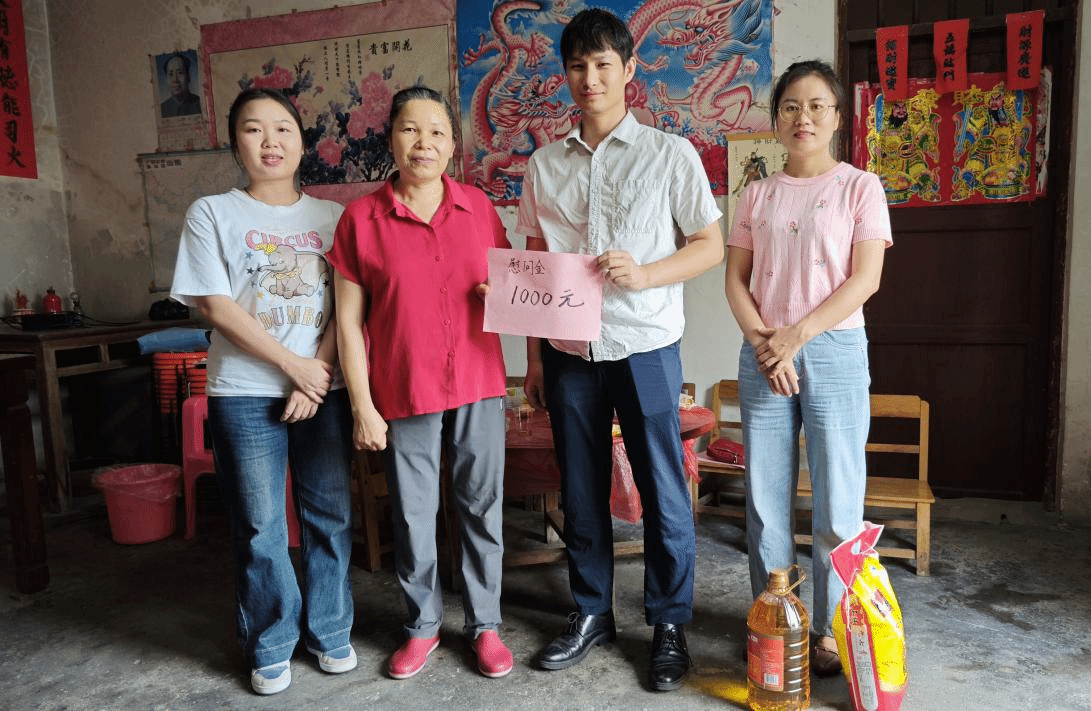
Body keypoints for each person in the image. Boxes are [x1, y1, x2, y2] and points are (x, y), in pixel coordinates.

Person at [516, 7, 723, 692]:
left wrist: (647, 273)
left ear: (629, 69)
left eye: (603, 64)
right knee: (579, 488)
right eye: (577, 66)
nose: (590, 78)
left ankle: (668, 623)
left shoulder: (671, 154)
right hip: (569, 351)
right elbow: (537, 261)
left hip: (645, 346)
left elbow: (709, 245)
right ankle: (591, 611)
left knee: (663, 488)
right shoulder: (544, 165)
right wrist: (535, 358)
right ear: (565, 74)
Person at [169, 87, 355, 695]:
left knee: (329, 515)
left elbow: (348, 308)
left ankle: (330, 630)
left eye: (282, 128)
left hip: (323, 387)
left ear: (302, 142)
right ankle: (271, 641)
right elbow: (216, 306)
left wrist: (316, 372)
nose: (270, 141)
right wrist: (293, 367)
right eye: (253, 129)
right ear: (235, 144)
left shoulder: (332, 219)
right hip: (244, 392)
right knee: (260, 524)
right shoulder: (212, 214)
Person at [328, 85, 515, 681]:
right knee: (412, 514)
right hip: (404, 386)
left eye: (437, 132)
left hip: (479, 381)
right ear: (391, 139)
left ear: (453, 144)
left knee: (482, 507)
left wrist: (501, 296)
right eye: (410, 129)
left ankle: (485, 625)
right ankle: (422, 626)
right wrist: (362, 405)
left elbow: (513, 289)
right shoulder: (361, 220)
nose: (423, 143)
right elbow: (348, 323)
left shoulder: (479, 209)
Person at [724, 59, 892, 677]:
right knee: (766, 501)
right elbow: (735, 280)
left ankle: (829, 629)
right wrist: (764, 342)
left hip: (833, 351)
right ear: (776, 120)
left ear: (838, 117)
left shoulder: (860, 188)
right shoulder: (756, 194)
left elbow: (866, 279)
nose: (804, 117)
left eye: (818, 105)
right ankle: (777, 618)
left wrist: (795, 336)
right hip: (764, 350)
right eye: (791, 106)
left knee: (838, 501)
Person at [160, 53, 202, 118]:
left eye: (180, 73)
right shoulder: (162, 109)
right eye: (170, 74)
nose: (175, 80)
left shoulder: (200, 104)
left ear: (188, 76)